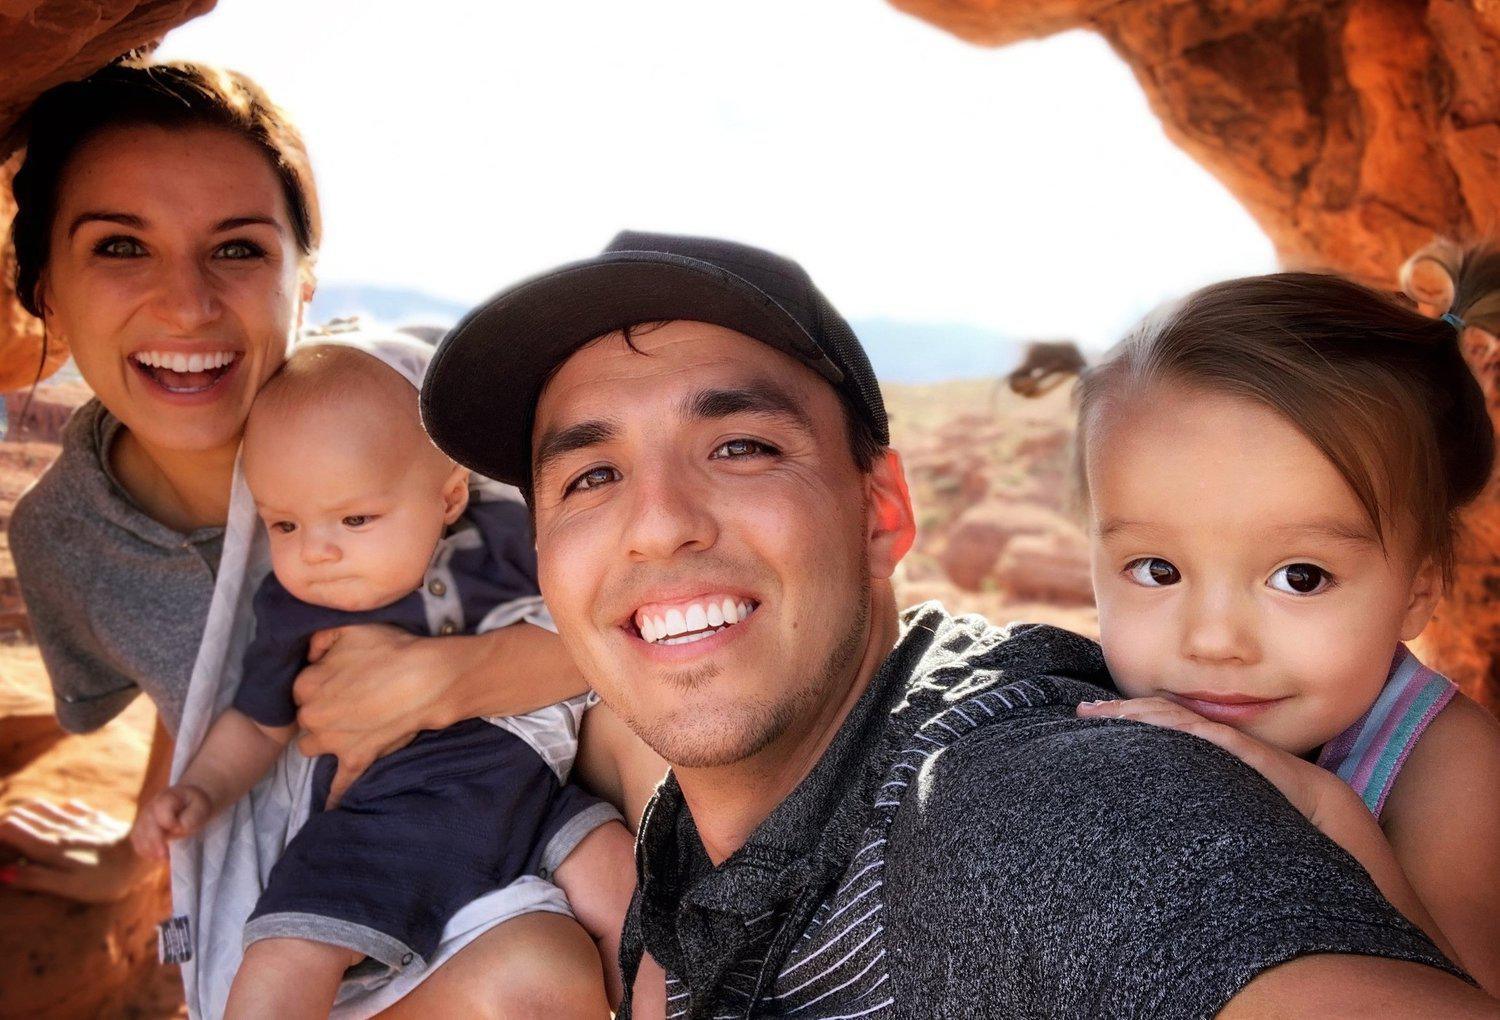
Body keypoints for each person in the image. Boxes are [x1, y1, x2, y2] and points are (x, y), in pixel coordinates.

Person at [420, 230, 1500, 1018]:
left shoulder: (1014, 807)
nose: (658, 524)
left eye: (742, 447)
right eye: (591, 475)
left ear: (882, 510)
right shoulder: (679, 850)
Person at [1, 59, 640, 1017]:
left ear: (302, 281)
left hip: (532, 818)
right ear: (44, 286)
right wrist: (143, 850)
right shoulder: (66, 539)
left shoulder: (419, 416)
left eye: (238, 249)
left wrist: (452, 677)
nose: (187, 304)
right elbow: (196, 683)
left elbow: (641, 610)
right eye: (121, 246)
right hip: (323, 896)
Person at [129, 341, 633, 1016]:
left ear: (448, 498)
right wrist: (200, 788)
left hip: (530, 800)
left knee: (628, 891)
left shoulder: (503, 540)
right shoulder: (292, 610)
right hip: (377, 825)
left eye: (355, 519)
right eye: (284, 523)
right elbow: (256, 722)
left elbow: (598, 604)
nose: (317, 551)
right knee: (284, 955)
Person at [1065, 249, 1500, 992]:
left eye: (1300, 578)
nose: (1212, 641)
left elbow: (1465, 999)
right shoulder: (1092, 703)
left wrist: (1331, 814)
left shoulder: (1452, 765)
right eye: (1156, 570)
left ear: (1418, 591)